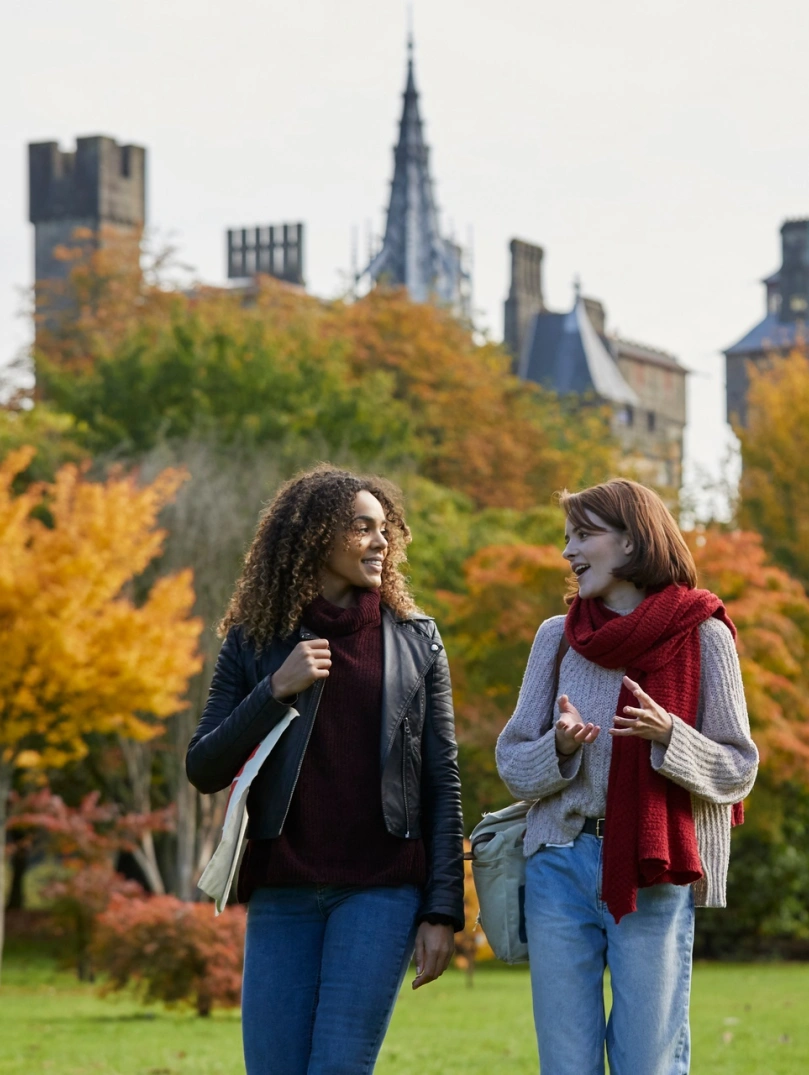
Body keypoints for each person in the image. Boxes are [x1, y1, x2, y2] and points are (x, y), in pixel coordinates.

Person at [186, 465, 464, 1075]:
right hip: (282, 890)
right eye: (361, 528)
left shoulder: (418, 641)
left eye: (384, 528)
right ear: (314, 538)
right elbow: (204, 765)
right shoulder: (255, 641)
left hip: (380, 890)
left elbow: (441, 779)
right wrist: (274, 689)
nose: (381, 541)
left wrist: (442, 909)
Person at [496, 478, 758, 1075]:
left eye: (585, 535)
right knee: (566, 1063)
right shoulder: (555, 639)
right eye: (567, 537)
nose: (568, 551)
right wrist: (558, 748)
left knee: (650, 1062)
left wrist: (671, 736)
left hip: (653, 866)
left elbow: (739, 767)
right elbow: (512, 762)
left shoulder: (704, 636)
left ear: (635, 543)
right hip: (559, 862)